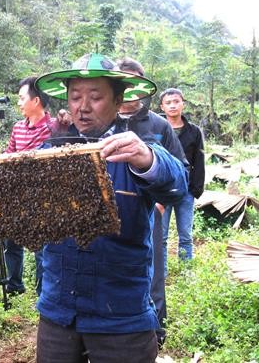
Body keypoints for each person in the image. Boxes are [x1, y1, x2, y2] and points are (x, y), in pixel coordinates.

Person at [33, 53, 187, 362]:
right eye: (75, 96)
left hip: (121, 317)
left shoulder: (135, 147)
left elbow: (177, 183)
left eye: (95, 96)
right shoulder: (48, 151)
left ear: (118, 101)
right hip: (58, 314)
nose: (83, 106)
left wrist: (148, 159)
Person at [116, 57, 188, 346]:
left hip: (149, 210)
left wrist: (160, 203)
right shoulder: (104, 121)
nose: (129, 89)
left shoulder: (158, 124)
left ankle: (156, 330)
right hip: (110, 209)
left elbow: (179, 168)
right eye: (123, 82)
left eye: (135, 83)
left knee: (154, 270)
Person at [4, 76, 69, 296]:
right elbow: (8, 156)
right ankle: (14, 288)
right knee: (11, 243)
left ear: (36, 100)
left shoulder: (54, 129)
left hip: (43, 198)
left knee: (42, 249)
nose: (19, 103)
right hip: (16, 195)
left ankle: (44, 294)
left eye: (22, 98)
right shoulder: (17, 128)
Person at [159, 88, 205, 275]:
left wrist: (196, 189)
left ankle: (186, 271)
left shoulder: (194, 131)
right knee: (160, 236)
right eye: (168, 102)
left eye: (176, 101)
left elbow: (199, 161)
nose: (172, 105)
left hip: (186, 189)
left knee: (185, 235)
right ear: (162, 106)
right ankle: (161, 272)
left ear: (182, 104)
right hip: (162, 188)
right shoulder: (157, 128)